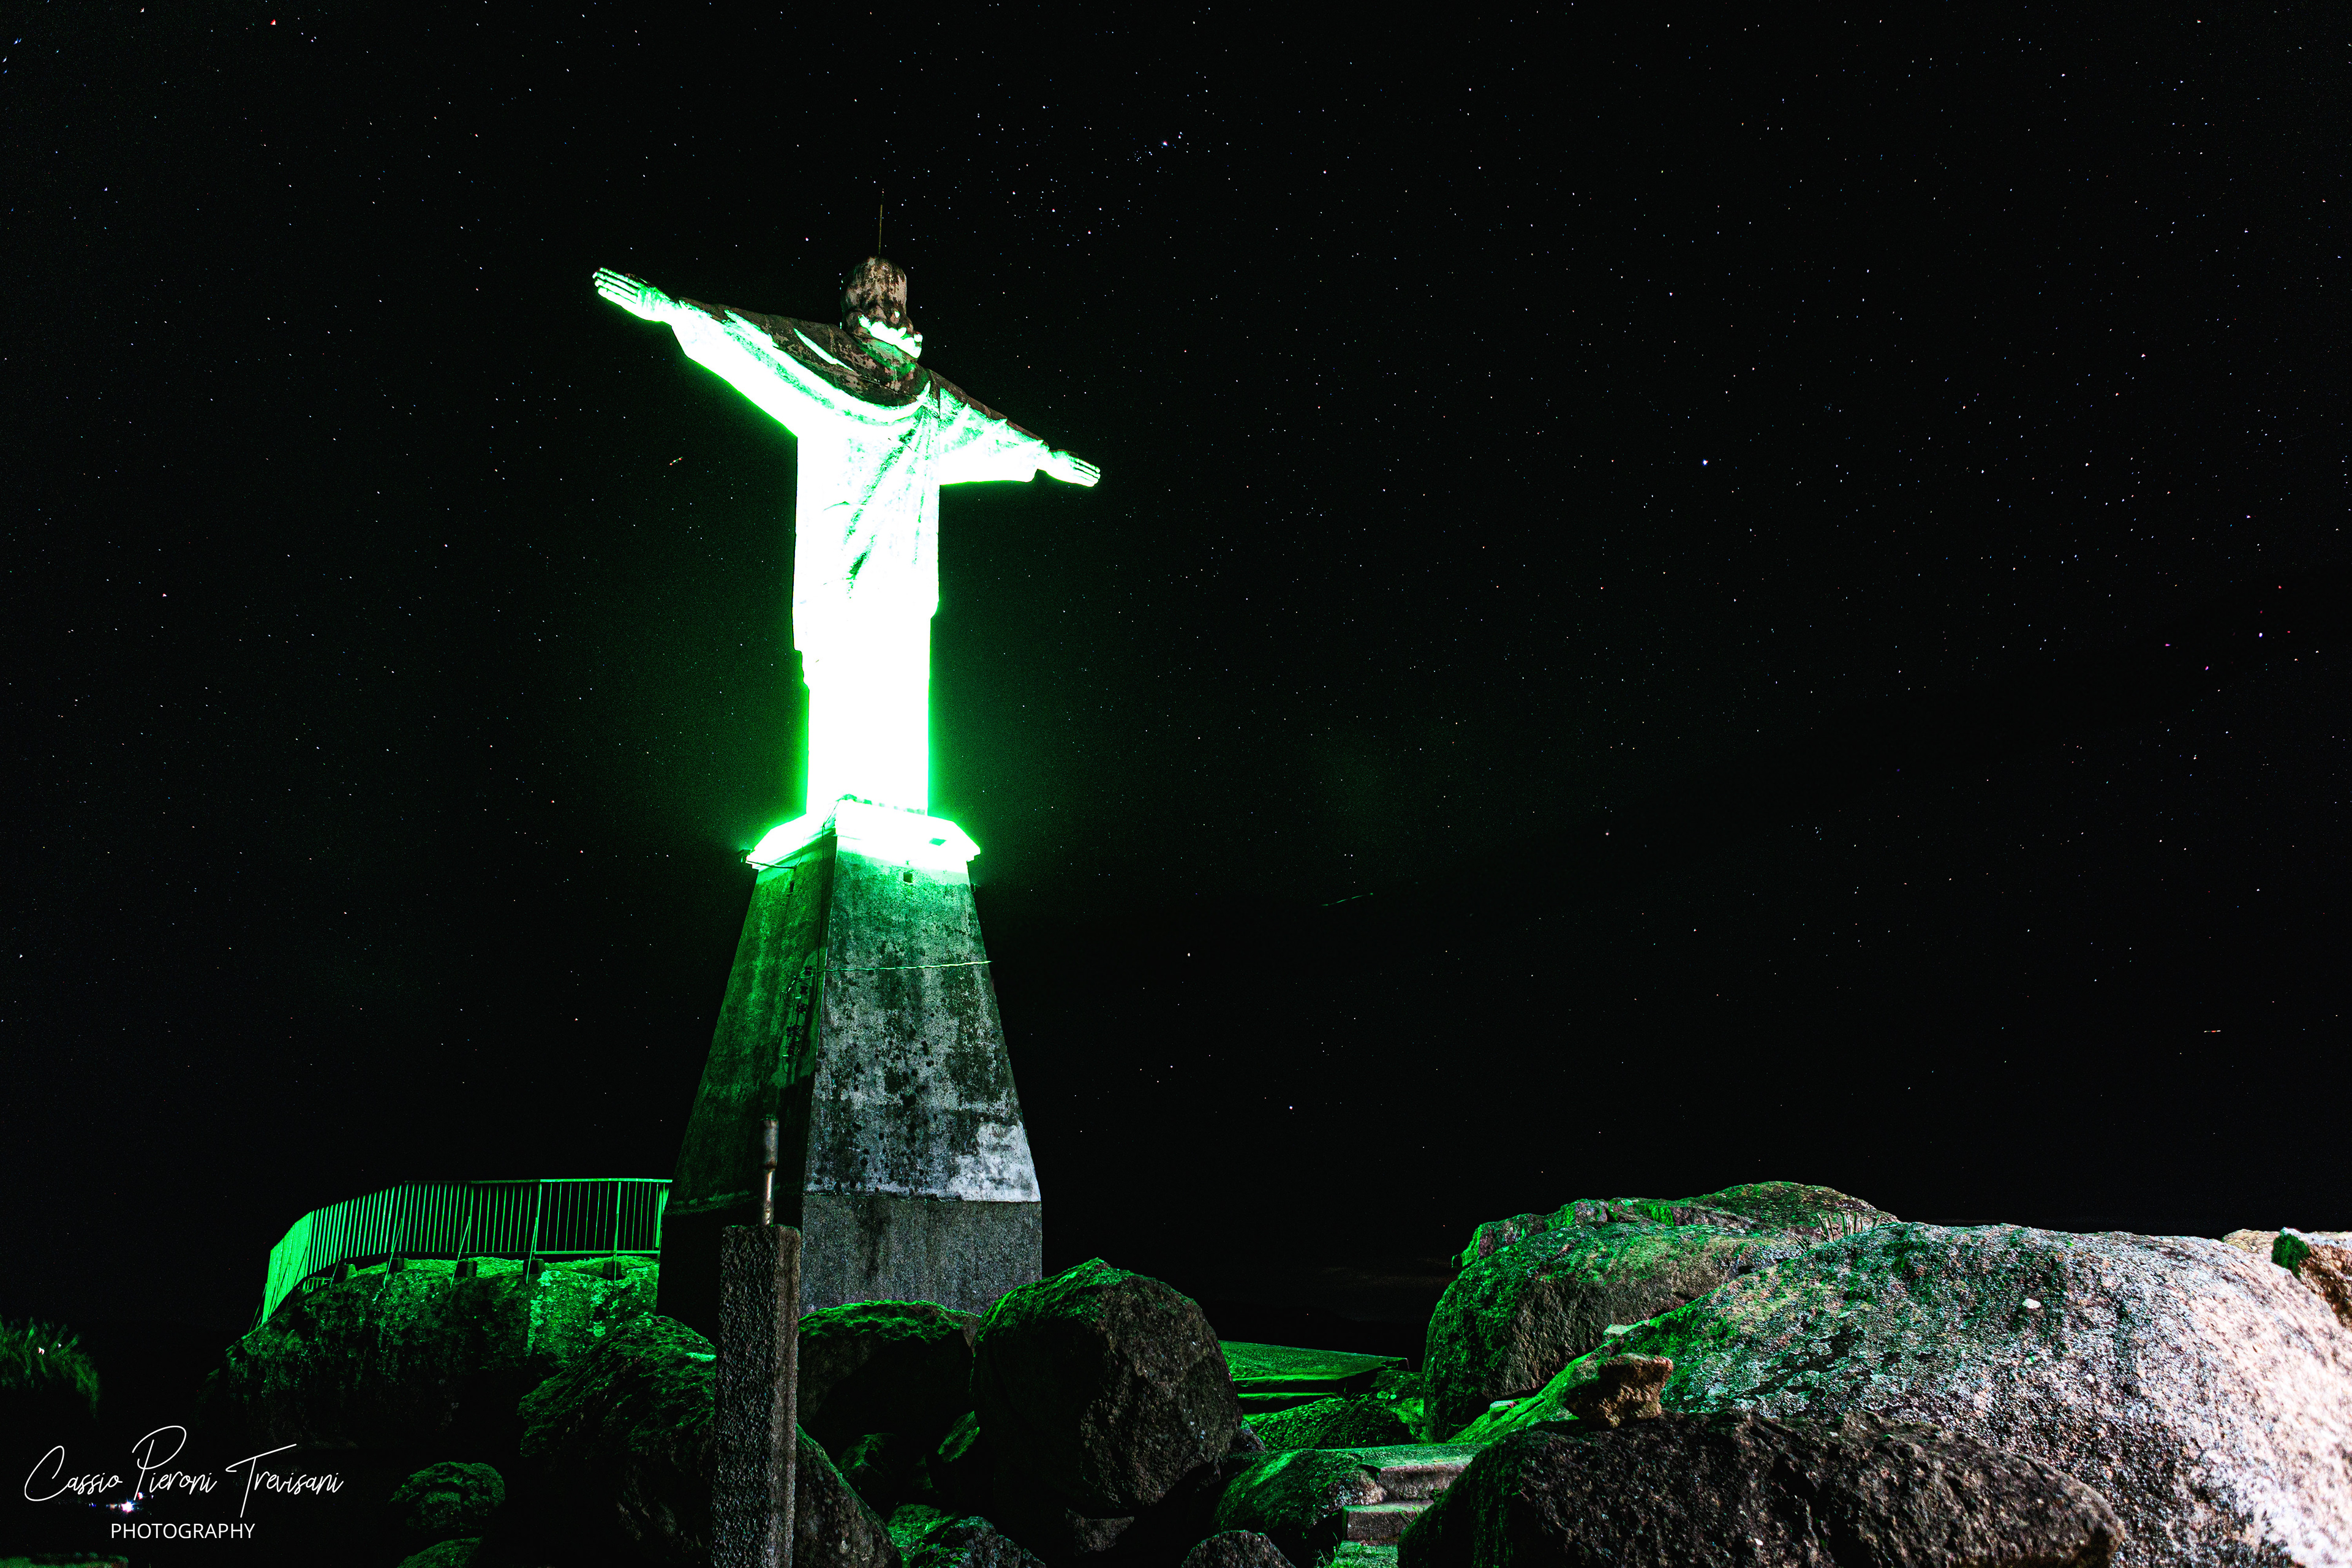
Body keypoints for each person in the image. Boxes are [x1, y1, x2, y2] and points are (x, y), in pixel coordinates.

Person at [594, 256, 1099, 816]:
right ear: (860, 304)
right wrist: (672, 311)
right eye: (879, 300)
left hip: (902, 569)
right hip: (842, 556)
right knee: (844, 665)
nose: (890, 313)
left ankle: (896, 808)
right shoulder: (829, 356)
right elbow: (759, 343)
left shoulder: (927, 394)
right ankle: (844, 803)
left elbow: (985, 428)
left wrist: (1044, 457)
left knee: (903, 674)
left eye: (897, 303)